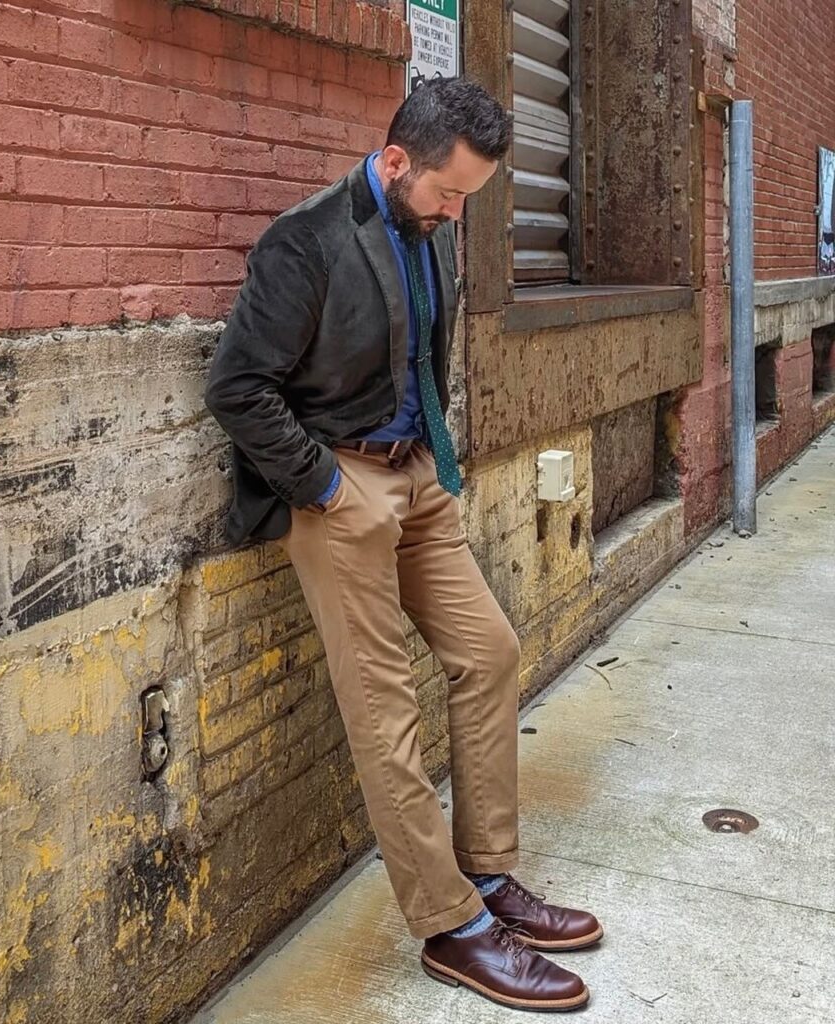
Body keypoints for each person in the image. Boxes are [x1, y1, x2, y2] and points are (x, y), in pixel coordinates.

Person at [205, 77, 602, 1013]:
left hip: (420, 479)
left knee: (491, 652)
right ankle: (449, 927)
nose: (456, 210)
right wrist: (328, 488)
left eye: (469, 195)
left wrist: (429, 464)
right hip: (339, 491)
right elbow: (237, 387)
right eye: (448, 191)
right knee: (386, 714)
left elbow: (419, 354)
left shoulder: (429, 233)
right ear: (394, 161)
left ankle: (491, 878)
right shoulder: (303, 243)